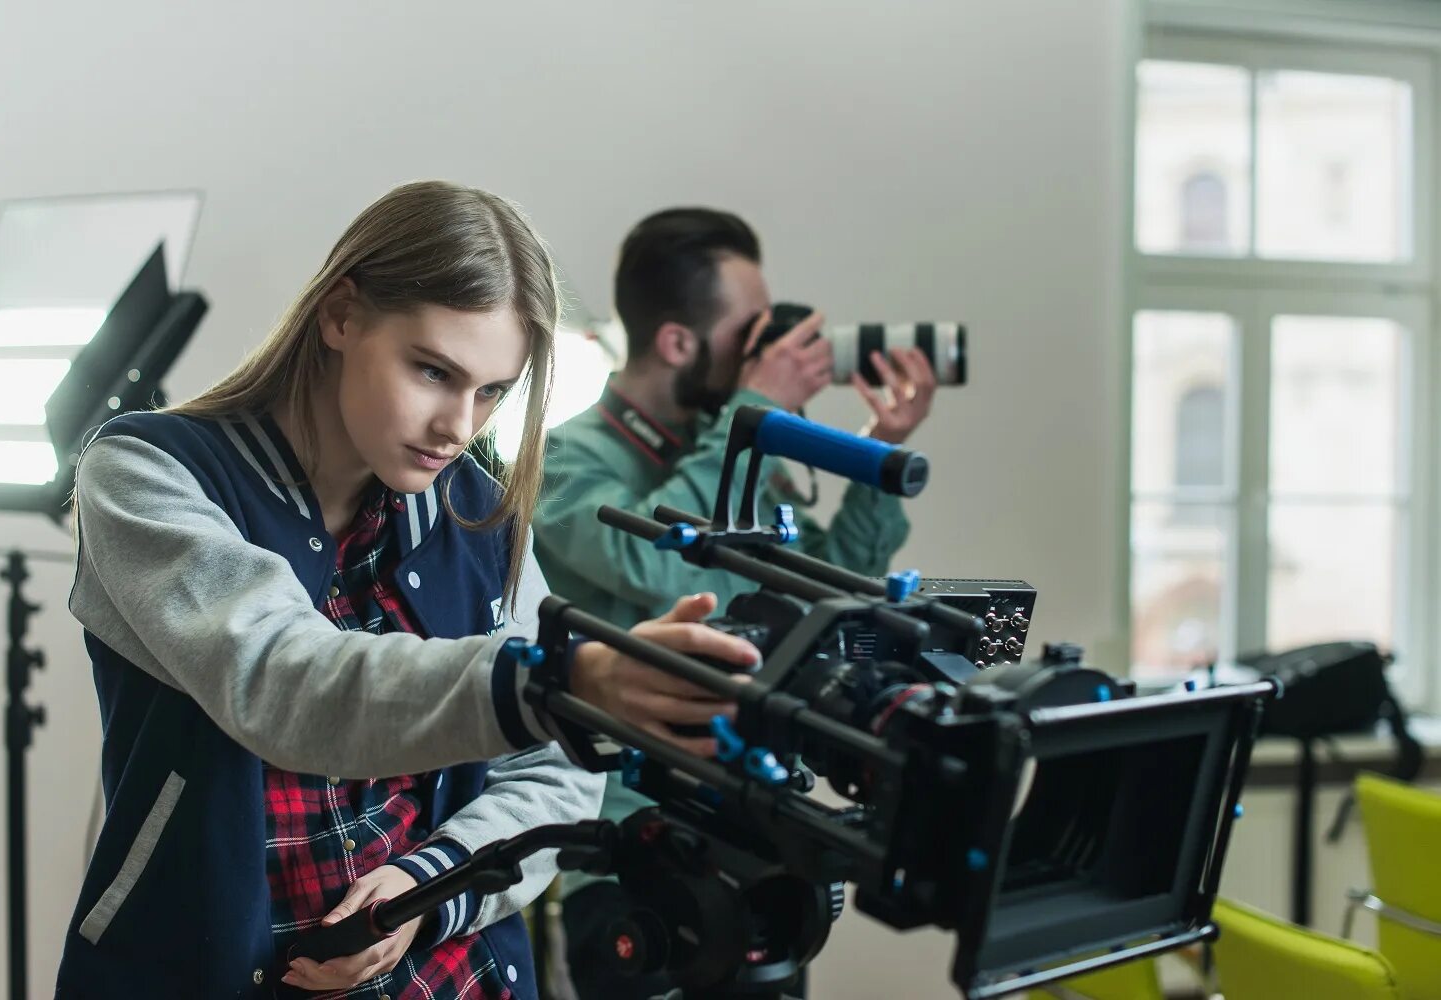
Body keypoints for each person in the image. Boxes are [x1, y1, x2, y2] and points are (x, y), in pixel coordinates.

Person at [57, 182, 759, 1000]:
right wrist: (557, 682)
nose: (458, 426)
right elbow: (285, 682)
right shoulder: (145, 472)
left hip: (449, 966)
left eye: (493, 391)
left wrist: (432, 890)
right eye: (433, 371)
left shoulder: (473, 504)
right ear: (341, 315)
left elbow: (556, 774)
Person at [533, 207, 937, 998]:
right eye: (750, 331)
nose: (771, 348)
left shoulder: (732, 453)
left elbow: (826, 587)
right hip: (627, 849)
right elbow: (665, 567)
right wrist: (757, 414)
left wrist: (878, 451)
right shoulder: (567, 460)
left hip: (754, 837)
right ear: (679, 343)